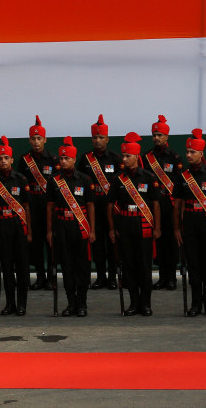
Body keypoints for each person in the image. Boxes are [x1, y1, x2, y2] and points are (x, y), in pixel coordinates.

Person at [107, 133, 161, 316]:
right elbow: (109, 205)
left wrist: (158, 227)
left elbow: (155, 203)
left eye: (127, 156)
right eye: (123, 156)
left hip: (143, 224)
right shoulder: (118, 179)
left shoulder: (148, 177)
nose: (124, 159)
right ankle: (133, 303)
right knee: (129, 264)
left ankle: (145, 303)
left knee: (144, 265)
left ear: (136, 157)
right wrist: (113, 228)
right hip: (125, 224)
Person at [173, 129, 206, 317]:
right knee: (192, 263)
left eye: (192, 152)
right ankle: (195, 304)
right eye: (187, 151)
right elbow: (177, 204)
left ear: (201, 153)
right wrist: (177, 228)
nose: (188, 155)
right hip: (190, 224)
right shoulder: (182, 175)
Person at [46, 137, 96, 316]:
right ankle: (70, 303)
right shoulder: (54, 181)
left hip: (80, 227)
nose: (63, 161)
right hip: (61, 227)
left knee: (81, 266)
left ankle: (82, 303)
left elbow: (90, 206)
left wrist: (92, 229)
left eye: (67, 158)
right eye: (61, 158)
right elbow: (50, 207)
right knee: (66, 266)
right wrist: (50, 231)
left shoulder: (85, 179)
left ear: (74, 160)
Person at [0, 136, 32, 315]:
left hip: (19, 227)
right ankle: (10, 304)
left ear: (12, 160)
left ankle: (22, 305)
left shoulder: (20, 179)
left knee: (21, 268)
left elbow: (27, 207)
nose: (3, 161)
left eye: (6, 158)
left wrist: (29, 232)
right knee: (6, 267)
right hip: (2, 227)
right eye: (0, 158)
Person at [78, 114, 121, 290]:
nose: (97, 140)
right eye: (95, 137)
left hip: (111, 209)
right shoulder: (85, 159)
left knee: (112, 243)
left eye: (101, 137)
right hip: (92, 209)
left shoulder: (116, 158)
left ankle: (112, 277)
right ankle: (100, 276)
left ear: (107, 139)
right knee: (96, 246)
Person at [17, 115, 58, 290]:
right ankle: (40, 277)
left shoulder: (53, 159)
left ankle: (51, 277)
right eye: (33, 138)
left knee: (51, 243)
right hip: (31, 208)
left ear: (45, 139)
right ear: (29, 139)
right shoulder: (23, 160)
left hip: (49, 209)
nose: (36, 142)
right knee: (35, 244)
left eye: (39, 138)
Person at [143, 115, 182, 290]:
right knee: (158, 242)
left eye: (160, 134)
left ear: (167, 137)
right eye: (154, 135)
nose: (156, 138)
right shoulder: (146, 157)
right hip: (154, 205)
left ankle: (172, 277)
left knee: (171, 241)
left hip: (171, 204)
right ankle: (162, 277)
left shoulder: (175, 157)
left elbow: (180, 182)